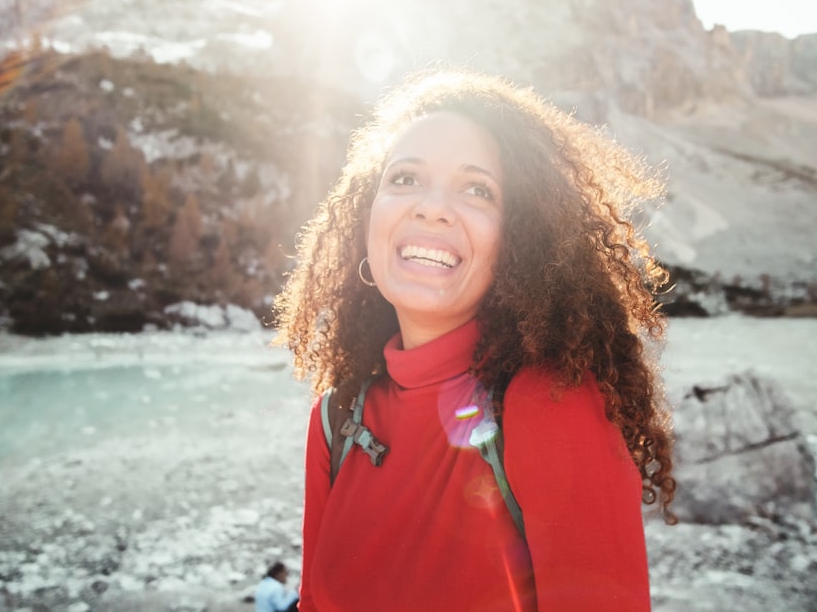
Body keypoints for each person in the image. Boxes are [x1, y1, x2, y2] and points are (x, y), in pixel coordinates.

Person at [274, 69, 676, 611]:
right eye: (405, 179)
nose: (431, 207)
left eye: (477, 189)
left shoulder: (552, 405)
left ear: (520, 238)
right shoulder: (337, 417)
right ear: (365, 219)